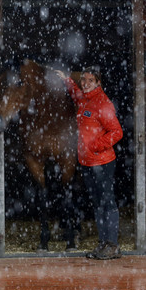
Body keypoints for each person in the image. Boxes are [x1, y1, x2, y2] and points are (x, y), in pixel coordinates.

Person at [55, 66, 123, 260]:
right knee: (97, 204)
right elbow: (77, 93)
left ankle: (113, 245)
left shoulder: (103, 104)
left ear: (98, 83)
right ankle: (103, 244)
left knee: (107, 202)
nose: (85, 83)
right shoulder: (85, 99)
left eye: (90, 80)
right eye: (83, 80)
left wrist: (95, 145)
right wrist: (67, 80)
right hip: (87, 163)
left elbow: (117, 132)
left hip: (102, 163)